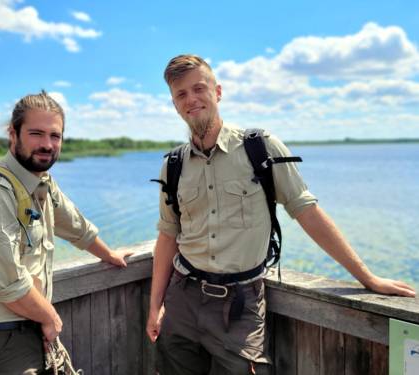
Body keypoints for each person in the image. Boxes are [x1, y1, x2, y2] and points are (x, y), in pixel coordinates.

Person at [146, 54, 416, 375]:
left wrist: (367, 278)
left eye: (198, 89)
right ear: (174, 104)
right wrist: (155, 306)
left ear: (217, 92)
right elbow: (168, 235)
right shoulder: (173, 164)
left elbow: (307, 212)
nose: (191, 99)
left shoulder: (260, 147)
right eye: (181, 94)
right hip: (182, 301)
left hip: (240, 306)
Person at [0, 91, 133, 374]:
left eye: (55, 135)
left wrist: (109, 254)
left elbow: (77, 228)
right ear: (13, 134)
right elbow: (9, 284)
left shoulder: (41, 184)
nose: (47, 144)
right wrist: (51, 319)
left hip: (26, 331)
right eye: (36, 133)